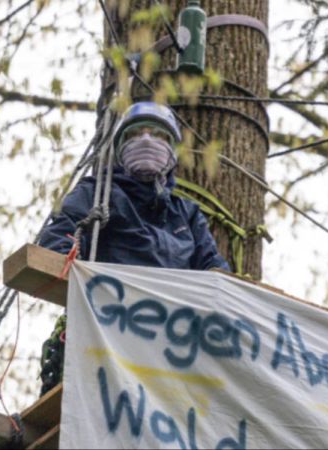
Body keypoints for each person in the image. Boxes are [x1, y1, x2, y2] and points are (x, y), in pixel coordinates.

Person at [36, 101, 229, 394]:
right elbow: (62, 234)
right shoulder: (98, 194)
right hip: (109, 335)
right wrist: (68, 256)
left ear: (172, 152)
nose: (147, 140)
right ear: (120, 148)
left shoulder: (185, 214)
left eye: (158, 134)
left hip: (172, 347)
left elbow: (215, 271)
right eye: (136, 133)